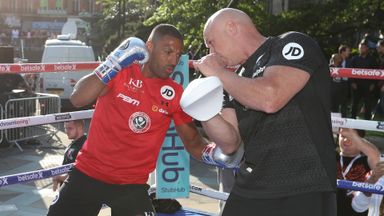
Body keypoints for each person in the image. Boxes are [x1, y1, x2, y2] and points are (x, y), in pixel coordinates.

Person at [47, 24, 242, 216]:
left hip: (131, 185)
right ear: (150, 47)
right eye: (168, 52)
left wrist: (217, 154)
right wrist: (112, 63)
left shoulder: (174, 94)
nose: (174, 60)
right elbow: (78, 98)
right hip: (89, 173)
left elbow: (193, 142)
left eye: (178, 54)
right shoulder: (121, 71)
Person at [192, 8, 337, 216]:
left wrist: (218, 73)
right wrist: (204, 109)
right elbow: (230, 142)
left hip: (303, 185)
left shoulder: (289, 43)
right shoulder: (234, 78)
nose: (210, 53)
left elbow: (270, 98)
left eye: (211, 43)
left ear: (231, 27)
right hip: (252, 184)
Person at [336, 128, 380, 216]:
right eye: (343, 136)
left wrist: (354, 137)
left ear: (360, 140)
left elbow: (375, 155)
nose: (346, 140)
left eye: (350, 137)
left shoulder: (366, 160)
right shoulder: (330, 156)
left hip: (357, 212)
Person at [52, 120, 87, 191]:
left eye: (70, 128)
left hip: (74, 191)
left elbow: (79, 174)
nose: (66, 131)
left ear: (80, 128)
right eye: (65, 128)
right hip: (68, 188)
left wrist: (59, 177)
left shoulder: (83, 146)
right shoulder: (75, 143)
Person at [350, 39, 378, 120]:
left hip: (368, 86)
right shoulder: (354, 59)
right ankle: (352, 120)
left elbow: (376, 72)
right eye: (360, 48)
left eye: (363, 47)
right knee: (354, 104)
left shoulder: (372, 60)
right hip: (356, 86)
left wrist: (373, 84)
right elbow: (350, 71)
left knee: (368, 105)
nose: (361, 49)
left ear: (367, 49)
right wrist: (352, 82)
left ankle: (367, 121)